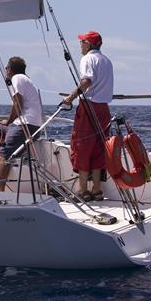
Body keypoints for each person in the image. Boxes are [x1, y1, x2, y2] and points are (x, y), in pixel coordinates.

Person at [61, 31, 114, 201]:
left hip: (89, 106)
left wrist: (69, 98)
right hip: (104, 109)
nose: (80, 45)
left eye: (82, 42)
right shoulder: (107, 61)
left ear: (89, 44)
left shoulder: (87, 59)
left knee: (81, 146)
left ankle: (82, 190)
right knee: (99, 148)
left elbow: (86, 81)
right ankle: (97, 189)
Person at [0, 57, 43, 192]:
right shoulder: (27, 80)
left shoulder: (17, 79)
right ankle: (7, 144)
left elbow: (18, 104)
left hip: (25, 125)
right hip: (28, 124)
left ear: (9, 69)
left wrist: (8, 122)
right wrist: (8, 122)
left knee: (4, 156)